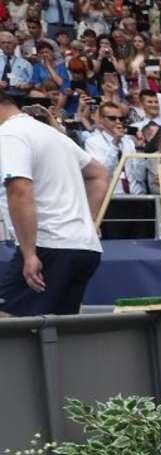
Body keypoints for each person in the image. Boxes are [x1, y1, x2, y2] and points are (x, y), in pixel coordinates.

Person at [0, 92, 107, 317]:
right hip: (84, 248)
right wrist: (88, 222)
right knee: (57, 329)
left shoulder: (9, 134)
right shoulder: (52, 134)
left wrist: (30, 254)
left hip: (49, 246)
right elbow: (98, 174)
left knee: (9, 321)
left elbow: (19, 191)